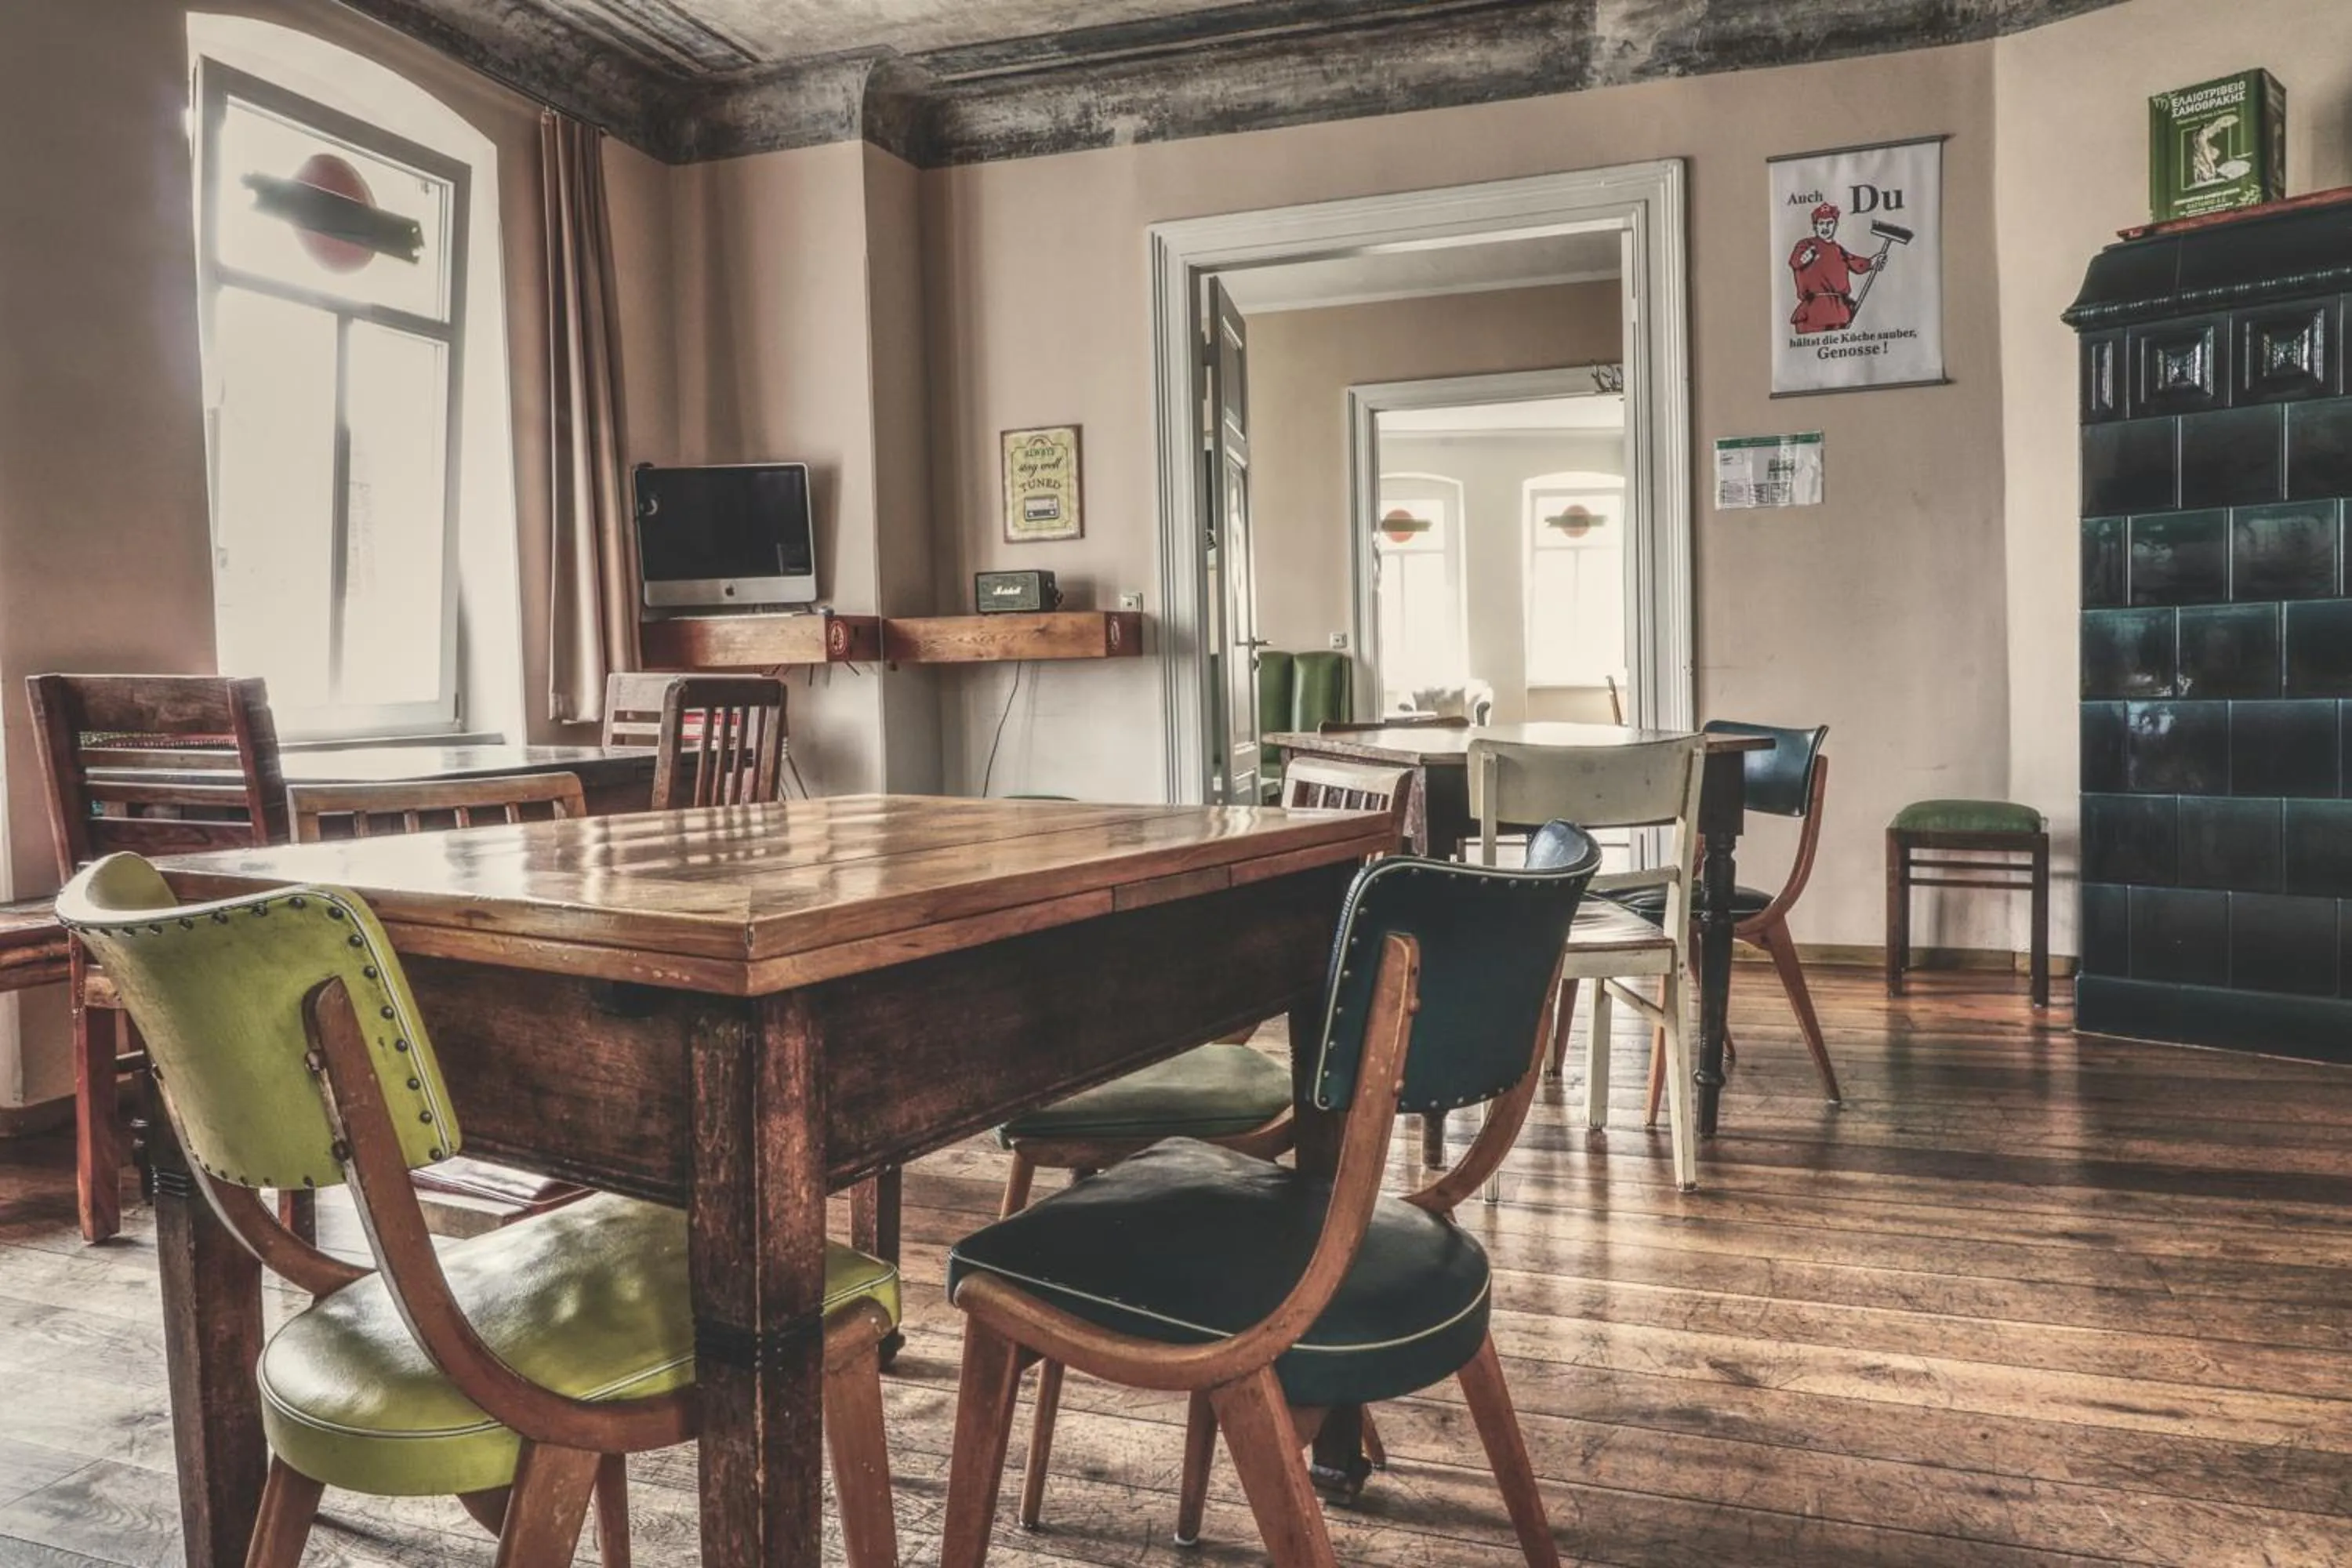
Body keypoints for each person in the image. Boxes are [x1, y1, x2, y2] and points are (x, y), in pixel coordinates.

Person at [1788, 202, 1878, 335]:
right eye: (1821, 223)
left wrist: (1872, 262)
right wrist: (1806, 257)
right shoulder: (1806, 244)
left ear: (1835, 225)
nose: (1826, 227)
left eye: (1829, 223)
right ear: (1815, 226)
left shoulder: (1838, 250)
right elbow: (1796, 261)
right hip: (1814, 311)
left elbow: (1856, 262)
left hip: (1839, 311)